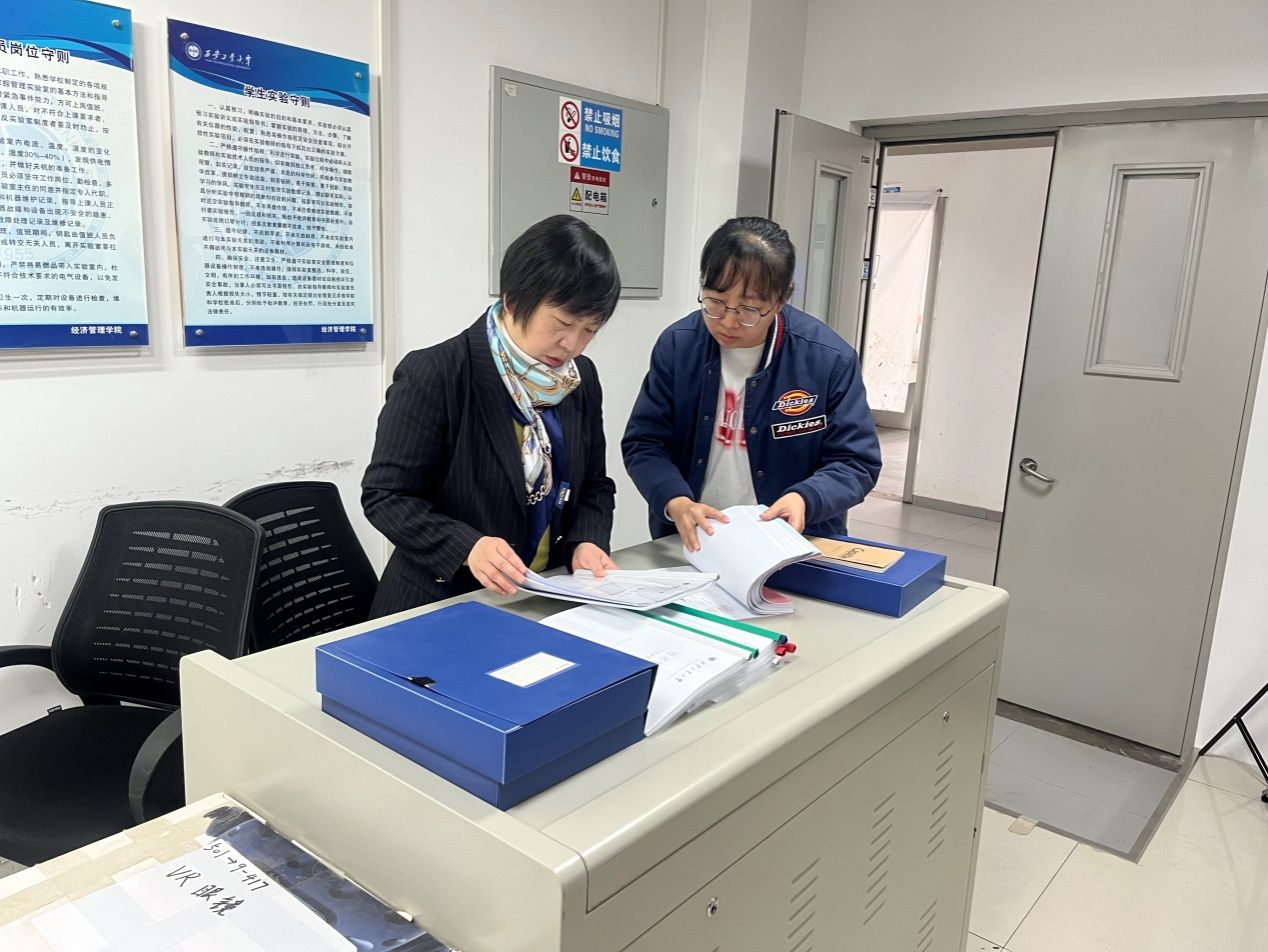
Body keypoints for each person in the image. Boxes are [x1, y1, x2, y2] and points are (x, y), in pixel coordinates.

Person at [363, 215, 621, 616]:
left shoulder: (578, 379)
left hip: (542, 597)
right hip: (443, 603)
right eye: (563, 323)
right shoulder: (438, 373)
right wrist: (467, 546)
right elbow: (386, 496)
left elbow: (594, 485)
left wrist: (586, 540)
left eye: (590, 330)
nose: (572, 344)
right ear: (514, 300)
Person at [622, 216, 880, 550]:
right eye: (715, 302)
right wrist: (675, 500)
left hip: (794, 543)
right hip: (696, 542)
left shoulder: (827, 359)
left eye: (749, 309)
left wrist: (806, 498)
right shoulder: (678, 346)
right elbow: (645, 443)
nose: (728, 322)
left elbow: (856, 461)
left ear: (782, 299)